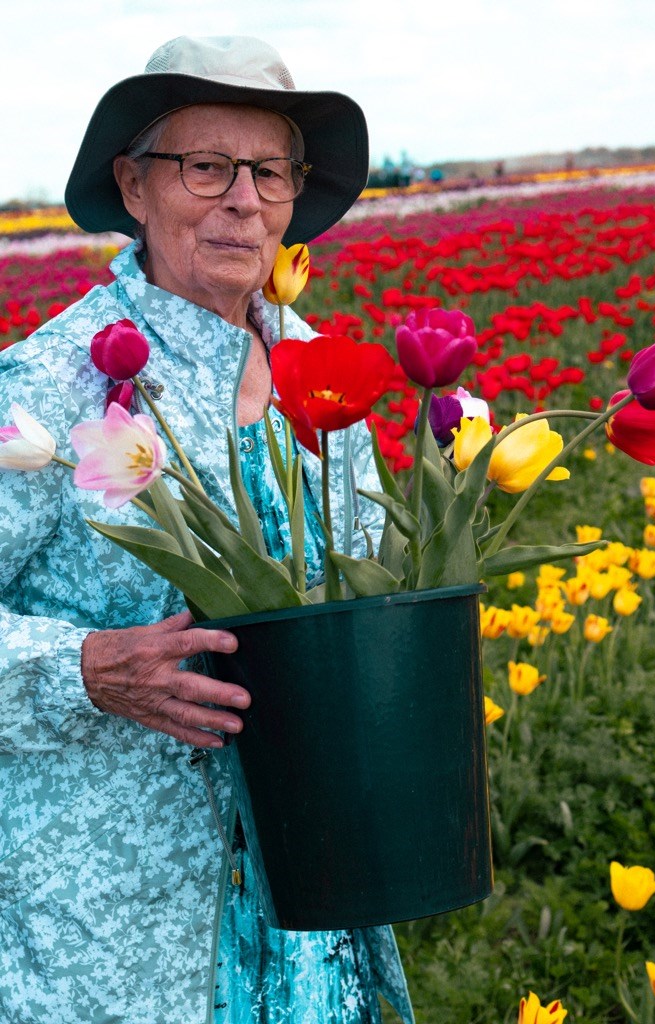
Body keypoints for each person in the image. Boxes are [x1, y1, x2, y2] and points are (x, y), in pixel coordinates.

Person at [0, 36, 414, 1024]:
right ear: (133, 186)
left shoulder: (323, 376)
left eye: (266, 170)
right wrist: (83, 668)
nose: (241, 199)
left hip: (317, 913)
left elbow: (365, 600)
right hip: (111, 937)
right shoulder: (48, 389)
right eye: (204, 166)